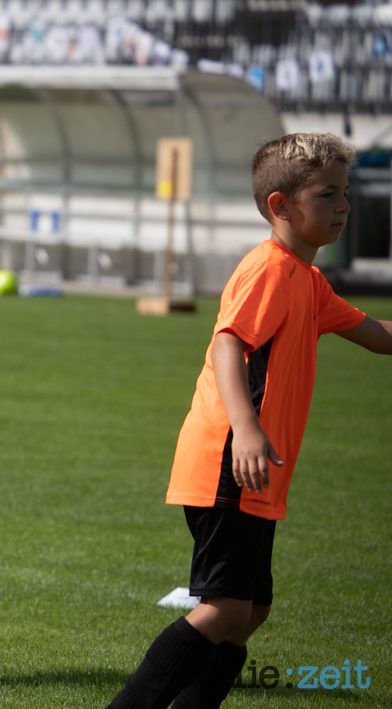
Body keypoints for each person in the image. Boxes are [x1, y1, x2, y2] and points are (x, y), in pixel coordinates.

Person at [107, 132, 392, 709]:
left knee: (251, 610)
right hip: (228, 461)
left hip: (256, 471)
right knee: (226, 608)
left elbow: (380, 336)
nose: (343, 206)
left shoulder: (308, 281)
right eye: (327, 194)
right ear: (280, 206)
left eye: (345, 193)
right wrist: (246, 428)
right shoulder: (268, 270)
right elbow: (227, 344)